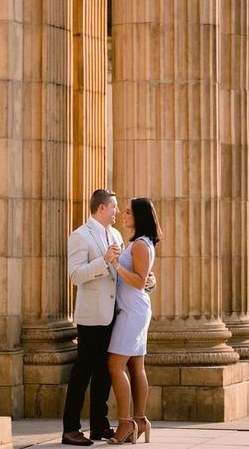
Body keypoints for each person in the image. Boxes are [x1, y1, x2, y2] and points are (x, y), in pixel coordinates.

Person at [62, 190, 155, 447]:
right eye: (114, 207)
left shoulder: (115, 235)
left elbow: (129, 273)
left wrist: (149, 282)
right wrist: (104, 262)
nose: (117, 212)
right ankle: (70, 429)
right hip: (91, 316)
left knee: (105, 372)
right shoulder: (80, 235)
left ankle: (99, 426)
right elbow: (75, 276)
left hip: (116, 313)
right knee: (83, 372)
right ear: (101, 208)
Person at [106, 197, 163, 445]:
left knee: (115, 365)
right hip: (135, 309)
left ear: (138, 216)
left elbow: (140, 281)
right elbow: (145, 279)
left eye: (128, 212)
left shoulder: (140, 244)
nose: (123, 215)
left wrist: (116, 264)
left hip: (132, 311)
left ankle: (126, 422)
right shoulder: (142, 243)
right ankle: (139, 420)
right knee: (135, 366)